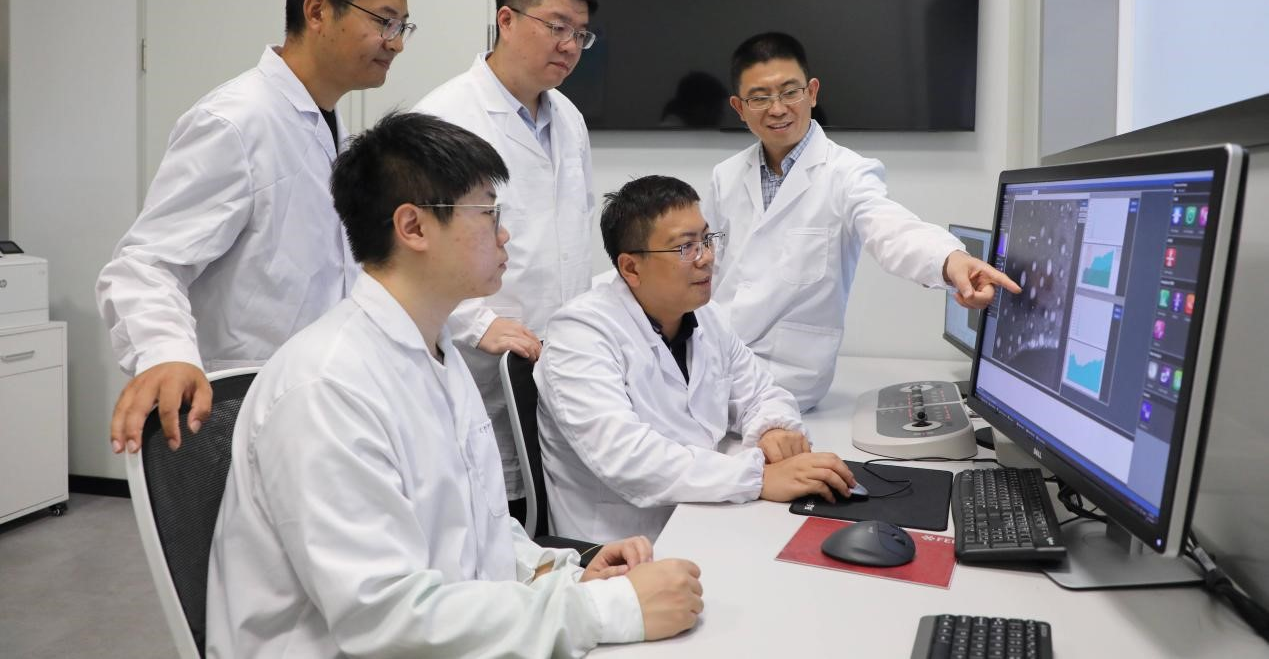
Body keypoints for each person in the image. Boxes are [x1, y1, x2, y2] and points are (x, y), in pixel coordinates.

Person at [206, 113, 703, 658]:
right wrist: (607, 609)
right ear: (414, 227)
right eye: (488, 213)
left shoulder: (435, 350)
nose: (504, 233)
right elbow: (385, 619)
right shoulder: (327, 388)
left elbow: (475, 528)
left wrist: (559, 570)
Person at [97, 0, 415, 453]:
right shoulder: (235, 122)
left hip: (314, 407)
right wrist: (166, 354)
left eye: (402, 26)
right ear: (318, 11)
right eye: (384, 21)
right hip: (239, 414)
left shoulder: (325, 122)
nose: (396, 42)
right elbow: (145, 264)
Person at [703, 32, 1021, 411]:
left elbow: (890, 229)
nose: (777, 109)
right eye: (759, 98)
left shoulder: (847, 173)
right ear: (739, 107)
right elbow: (709, 268)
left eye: (790, 92)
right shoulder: (725, 176)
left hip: (784, 374)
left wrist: (952, 261)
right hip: (713, 350)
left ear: (812, 92)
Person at [535, 175, 859, 543]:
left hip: (705, 510)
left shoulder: (705, 314)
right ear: (631, 268)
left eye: (707, 239)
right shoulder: (580, 333)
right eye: (685, 247)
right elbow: (626, 457)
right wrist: (758, 477)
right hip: (628, 542)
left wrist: (774, 428)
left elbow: (759, 391)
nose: (706, 258)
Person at [413, 0, 598, 518]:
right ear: (507, 20)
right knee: (491, 513)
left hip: (556, 362)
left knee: (550, 510)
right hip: (477, 362)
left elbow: (571, 237)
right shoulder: (445, 117)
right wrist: (477, 323)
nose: (569, 45)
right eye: (557, 26)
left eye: (581, 34)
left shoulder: (569, 118)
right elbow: (410, 253)